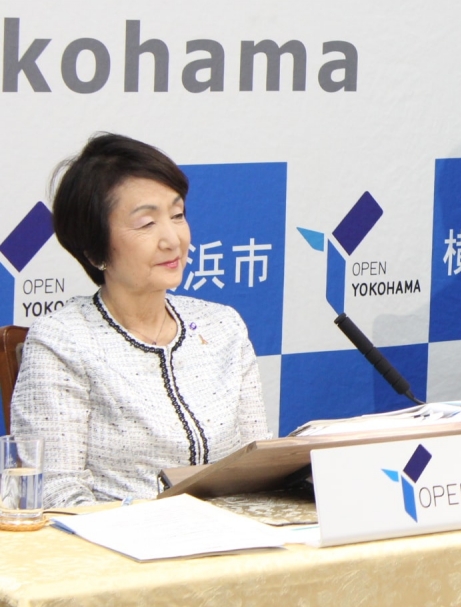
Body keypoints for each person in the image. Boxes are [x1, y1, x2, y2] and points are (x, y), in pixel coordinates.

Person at [11, 134, 269, 506]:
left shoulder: (222, 326)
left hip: (234, 535)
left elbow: (259, 465)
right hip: (119, 539)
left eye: (177, 215)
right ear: (94, 250)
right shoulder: (62, 340)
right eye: (147, 223)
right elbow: (54, 493)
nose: (173, 240)